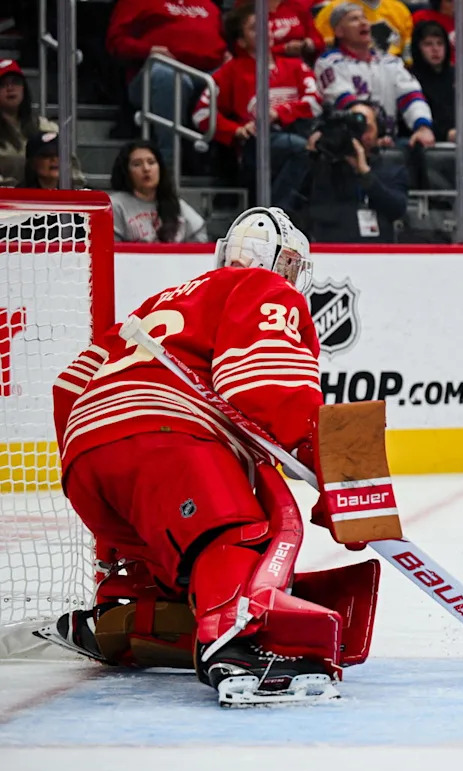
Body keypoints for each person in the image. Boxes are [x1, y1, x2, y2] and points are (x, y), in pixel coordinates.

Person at [45, 207, 380, 707]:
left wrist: (98, 459)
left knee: (165, 555)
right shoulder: (264, 290)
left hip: (87, 455)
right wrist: (340, 473)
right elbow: (266, 386)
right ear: (285, 264)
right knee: (235, 531)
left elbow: (69, 385)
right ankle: (236, 640)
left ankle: (125, 613)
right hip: (166, 439)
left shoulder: (158, 303)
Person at [192, 4, 321, 214]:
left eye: (266, 24)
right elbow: (202, 113)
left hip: (299, 133)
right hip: (257, 144)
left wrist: (279, 112)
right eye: (254, 27)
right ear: (241, 41)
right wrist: (236, 130)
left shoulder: (296, 66)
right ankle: (275, 216)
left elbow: (314, 102)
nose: (265, 30)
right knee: (299, 149)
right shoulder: (230, 71)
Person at [105, 0, 226, 167]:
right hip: (155, 71)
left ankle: (226, 165)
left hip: (208, 70)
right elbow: (115, 42)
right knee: (168, 77)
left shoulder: (208, 5)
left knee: (237, 77)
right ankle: (167, 162)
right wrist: (148, 50)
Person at [315, 4, 436, 147]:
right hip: (347, 144)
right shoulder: (329, 62)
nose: (363, 23)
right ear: (339, 31)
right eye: (354, 19)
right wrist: (370, 133)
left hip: (390, 140)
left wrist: (423, 127)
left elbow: (411, 96)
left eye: (364, 18)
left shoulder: (391, 62)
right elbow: (343, 100)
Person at [302, 100, 410, 242]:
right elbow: (298, 205)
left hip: (378, 253)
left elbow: (397, 209)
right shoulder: (324, 163)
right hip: (328, 252)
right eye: (352, 128)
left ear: (379, 132)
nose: (359, 135)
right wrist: (311, 157)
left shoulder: (391, 168)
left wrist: (365, 174)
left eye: (367, 128)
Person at [0, 59, 84, 188]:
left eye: (16, 82)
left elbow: (72, 169)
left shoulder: (46, 127)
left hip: (45, 197)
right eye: (3, 84)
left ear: (24, 88)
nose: (10, 88)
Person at [109, 140, 208, 242]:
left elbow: (199, 234)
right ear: (125, 171)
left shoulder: (175, 204)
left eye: (151, 162)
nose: (146, 169)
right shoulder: (115, 205)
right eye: (137, 164)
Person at [408, 20, 463, 144]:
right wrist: (446, 134)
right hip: (431, 141)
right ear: (417, 47)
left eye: (440, 44)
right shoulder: (408, 78)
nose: (435, 49)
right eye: (428, 44)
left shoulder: (458, 76)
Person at [314, 0, 414, 60]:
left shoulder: (399, 10)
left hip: (394, 72)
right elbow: (324, 52)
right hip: (349, 72)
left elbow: (408, 56)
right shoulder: (333, 11)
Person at [234, 0, 325, 63]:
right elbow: (242, 51)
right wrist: (284, 49)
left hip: (300, 64)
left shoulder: (296, 6)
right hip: (260, 69)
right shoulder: (245, 9)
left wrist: (308, 44)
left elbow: (319, 41)